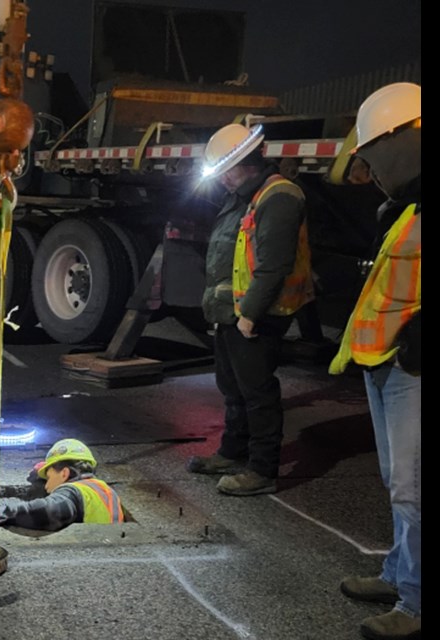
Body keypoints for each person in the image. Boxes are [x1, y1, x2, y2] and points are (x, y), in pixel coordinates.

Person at [329, 82, 420, 640]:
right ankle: (399, 572)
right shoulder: (408, 206)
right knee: (398, 482)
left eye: (373, 157)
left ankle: (414, 605)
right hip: (383, 360)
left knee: (414, 488)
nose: (371, 170)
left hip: (412, 366)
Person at [186, 122, 315, 496]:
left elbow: (274, 264)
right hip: (232, 311)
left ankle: (261, 469)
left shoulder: (279, 196)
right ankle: (232, 452)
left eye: (225, 170)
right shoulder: (246, 194)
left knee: (257, 392)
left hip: (256, 315)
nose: (222, 179)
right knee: (233, 387)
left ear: (244, 163)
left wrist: (250, 315)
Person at [0, 439, 123, 530]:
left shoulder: (73, 492)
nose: (46, 485)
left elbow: (46, 511)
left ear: (64, 473)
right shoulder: (102, 489)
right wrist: (42, 475)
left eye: (48, 477)